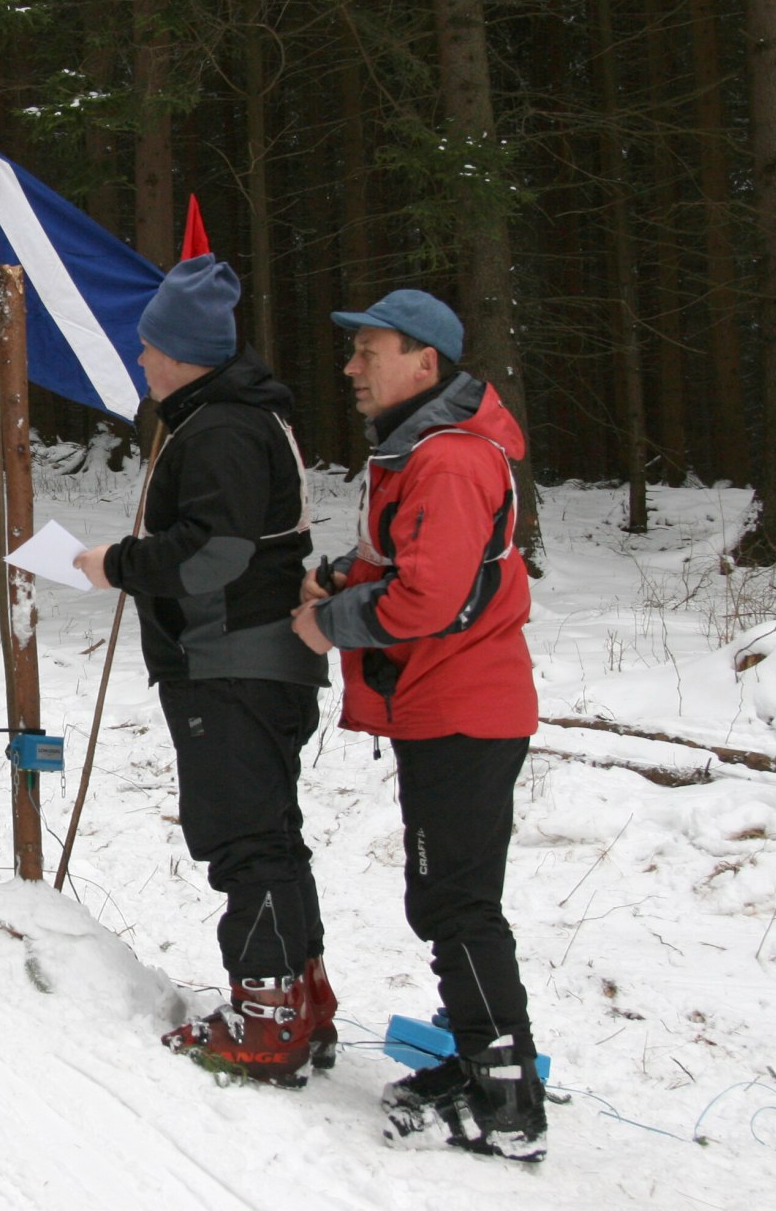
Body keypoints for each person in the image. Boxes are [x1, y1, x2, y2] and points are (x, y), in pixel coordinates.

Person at [289, 289, 545, 1161]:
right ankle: (482, 1066)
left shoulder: (449, 460)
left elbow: (430, 598)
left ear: (424, 362)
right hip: (447, 705)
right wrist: (339, 577)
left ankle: (506, 1102)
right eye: (353, 351)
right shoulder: (421, 452)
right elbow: (407, 559)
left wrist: (330, 622)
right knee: (447, 898)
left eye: (370, 351)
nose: (351, 368)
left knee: (457, 904)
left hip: (463, 709)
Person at [71, 254, 334, 1084]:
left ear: (183, 353)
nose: (141, 357)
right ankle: (300, 1000)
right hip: (252, 659)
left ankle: (267, 1018)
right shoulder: (233, 415)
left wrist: (118, 565)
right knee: (270, 834)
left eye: (150, 346)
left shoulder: (223, 428)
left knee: (245, 837)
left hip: (233, 661)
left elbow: (214, 552)